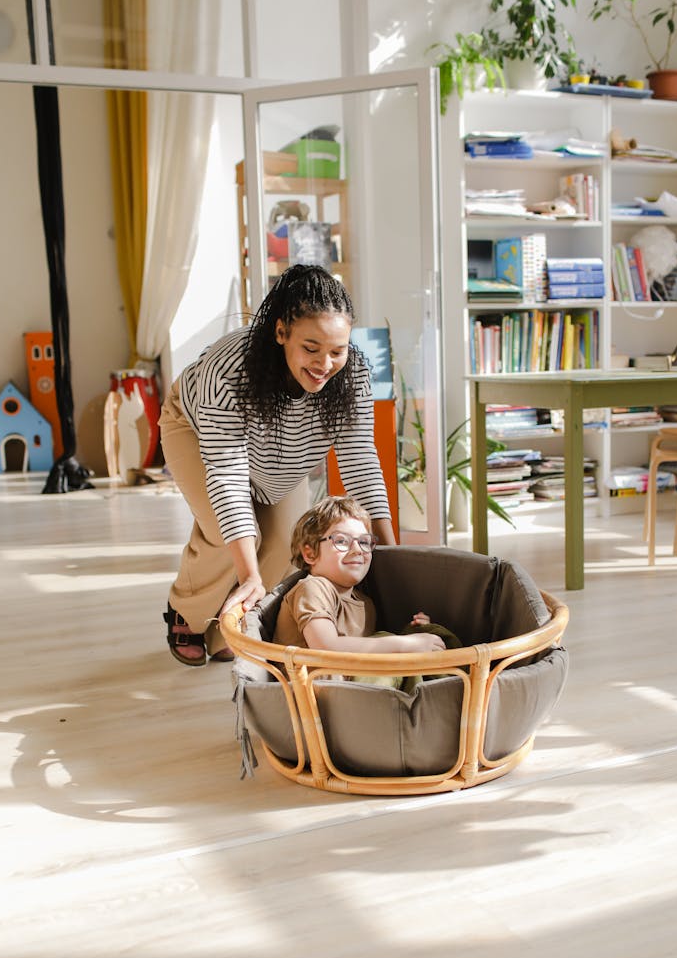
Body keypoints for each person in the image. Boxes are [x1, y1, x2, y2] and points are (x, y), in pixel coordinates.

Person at [159, 265, 396, 666]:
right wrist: (249, 574)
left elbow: (360, 462)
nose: (325, 363)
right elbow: (228, 477)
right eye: (311, 348)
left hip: (279, 455)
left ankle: (226, 631)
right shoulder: (228, 370)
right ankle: (187, 612)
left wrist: (391, 555)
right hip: (196, 430)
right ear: (281, 332)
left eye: (337, 350)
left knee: (286, 545)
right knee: (228, 533)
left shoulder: (352, 373)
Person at [273, 495, 461, 688]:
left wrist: (417, 636)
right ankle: (447, 690)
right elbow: (325, 646)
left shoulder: (365, 603)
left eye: (364, 542)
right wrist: (405, 644)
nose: (357, 550)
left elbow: (366, 652)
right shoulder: (313, 587)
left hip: (358, 690)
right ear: (310, 553)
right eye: (342, 541)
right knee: (390, 641)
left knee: (428, 633)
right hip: (316, 697)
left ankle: (455, 684)